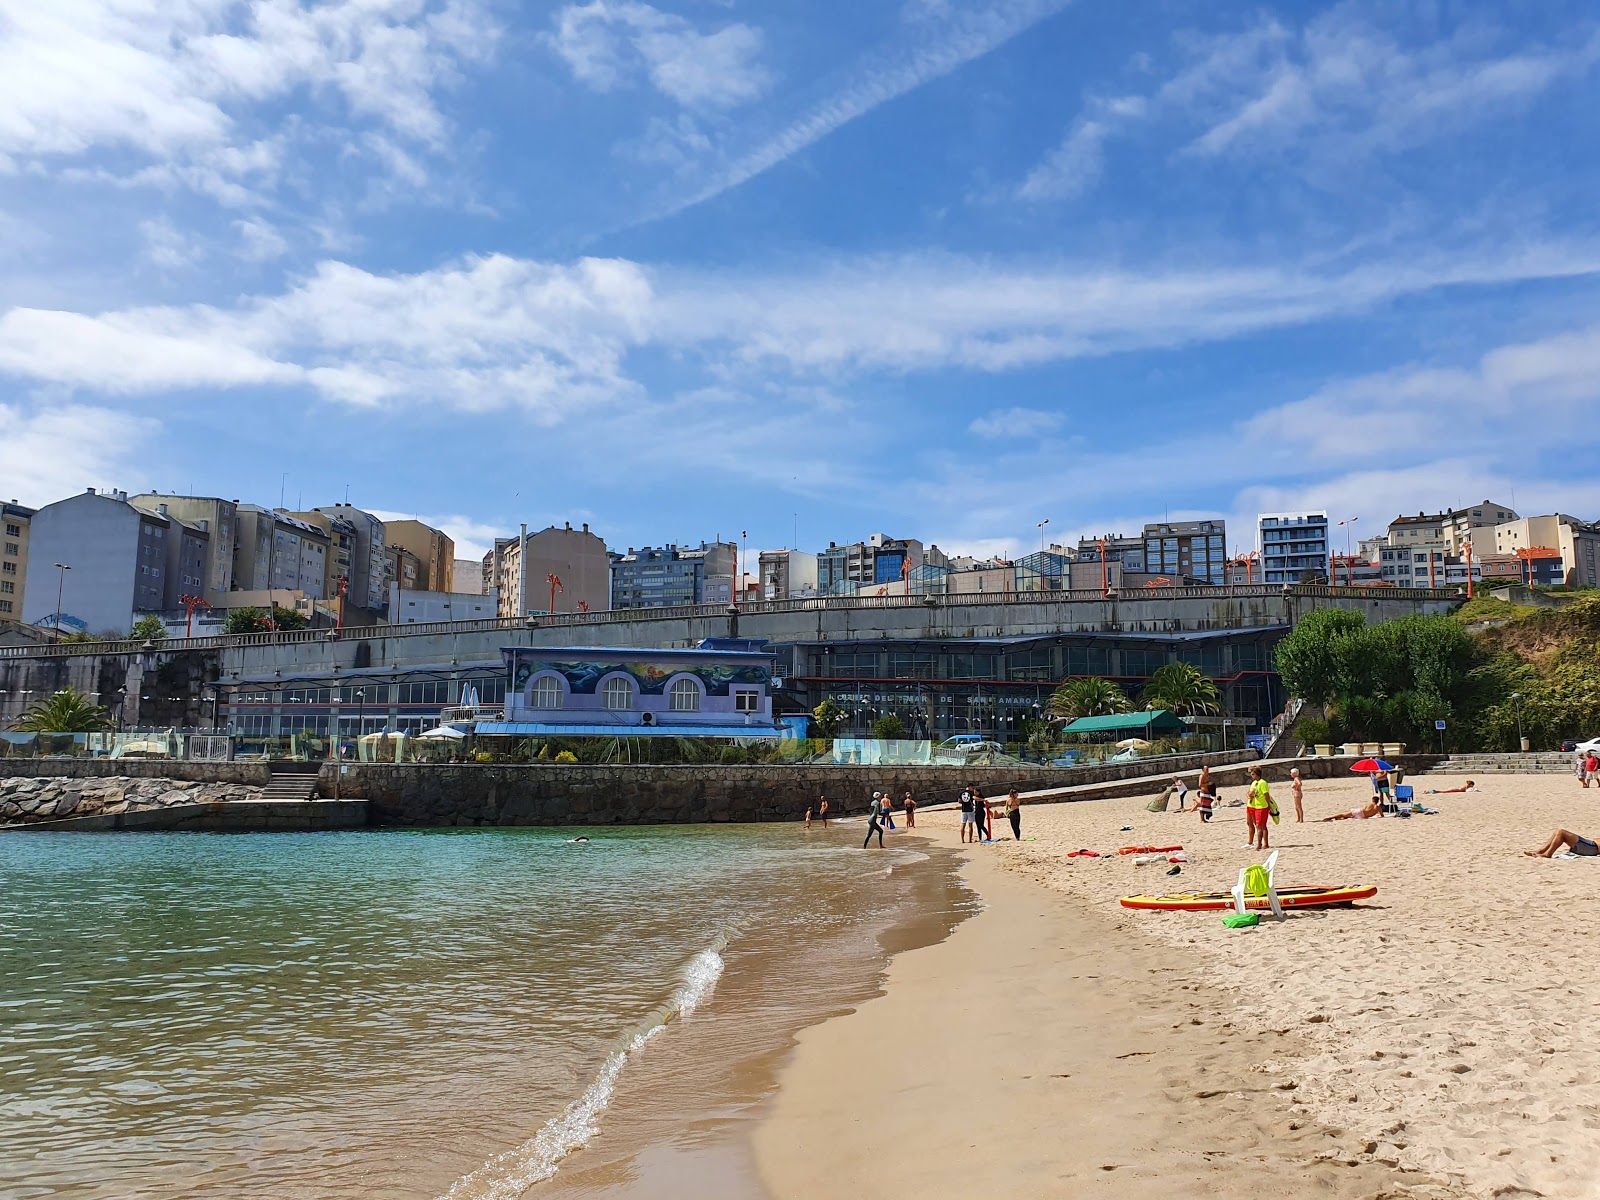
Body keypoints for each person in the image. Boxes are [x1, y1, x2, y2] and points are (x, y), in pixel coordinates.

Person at [1245, 767, 1273, 850]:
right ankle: (1263, 844)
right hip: (1256, 806)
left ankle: (1260, 844)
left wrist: (1269, 805)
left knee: (1260, 826)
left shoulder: (1262, 783)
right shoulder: (1255, 783)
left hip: (1262, 806)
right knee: (1260, 825)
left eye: (1253, 774)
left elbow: (1266, 795)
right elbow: (1251, 793)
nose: (1251, 775)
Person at [1525, 829, 1600, 857]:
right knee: (1557, 832)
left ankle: (1548, 854)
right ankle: (1540, 851)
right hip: (1590, 845)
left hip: (1592, 848)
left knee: (1561, 833)